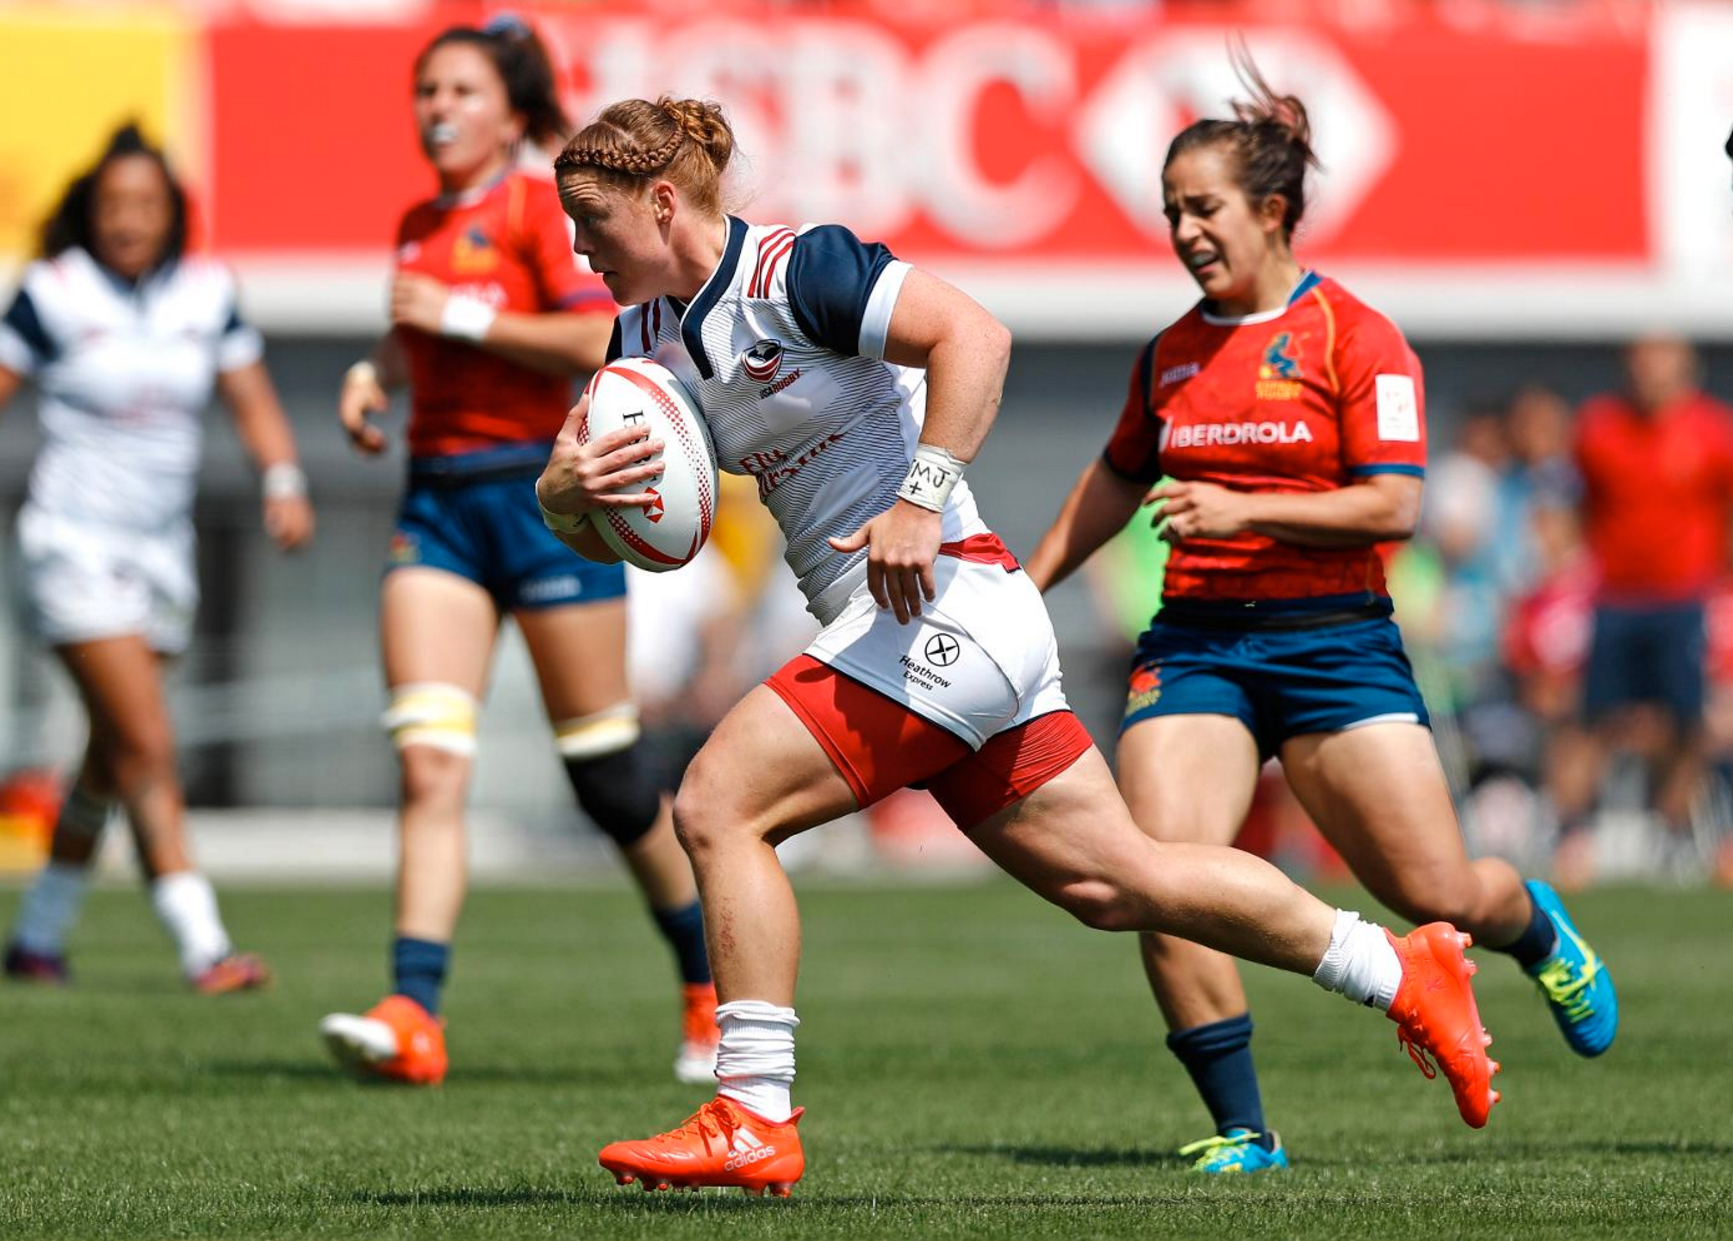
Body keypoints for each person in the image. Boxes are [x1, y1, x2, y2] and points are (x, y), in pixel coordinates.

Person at [535, 94, 1500, 1199]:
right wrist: (562, 495)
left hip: (941, 605)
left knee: (717, 803)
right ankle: (1401, 967)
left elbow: (975, 336)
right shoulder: (642, 340)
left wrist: (918, 497)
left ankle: (750, 1110)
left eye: (592, 220)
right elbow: (640, 533)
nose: (580, 247)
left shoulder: (794, 272)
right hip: (906, 632)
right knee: (1119, 881)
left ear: (663, 202)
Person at [1022, 60, 1617, 1175]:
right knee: (1159, 875)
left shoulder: (1355, 335)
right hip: (1198, 643)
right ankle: (1244, 1129)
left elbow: (1393, 504)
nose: (1184, 232)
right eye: (1171, 213)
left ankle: (1534, 924)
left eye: (1203, 208)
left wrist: (1242, 506)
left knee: (1433, 892)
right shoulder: (1170, 353)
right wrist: (1024, 582)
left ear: (1271, 210)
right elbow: (1113, 479)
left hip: (1335, 644)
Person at [315, 18, 716, 1088]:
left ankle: (705, 982)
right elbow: (416, 330)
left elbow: (595, 336)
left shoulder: (541, 207)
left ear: (508, 113)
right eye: (426, 90)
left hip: (548, 500)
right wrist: (374, 375)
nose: (437, 108)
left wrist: (458, 315)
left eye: (460, 90)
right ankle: (413, 1011)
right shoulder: (418, 221)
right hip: (436, 505)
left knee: (607, 779)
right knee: (429, 761)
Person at [0, 124, 312, 992]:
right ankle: (203, 945)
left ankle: (36, 937)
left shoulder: (206, 293)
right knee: (147, 742)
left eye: (145, 204)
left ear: (173, 213)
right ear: (89, 213)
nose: (128, 220)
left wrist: (284, 479)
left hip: (163, 556)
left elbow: (252, 399)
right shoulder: (54, 292)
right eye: (113, 204)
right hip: (72, 546)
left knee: (112, 755)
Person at [1548, 335, 1733, 883]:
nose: (1650, 372)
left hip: (1684, 598)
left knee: (1687, 722)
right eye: (1642, 362)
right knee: (1589, 719)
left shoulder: (1712, 430)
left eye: (1661, 362)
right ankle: (1571, 836)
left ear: (1685, 369)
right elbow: (1578, 504)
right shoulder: (1599, 427)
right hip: (1614, 599)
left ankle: (1672, 834)